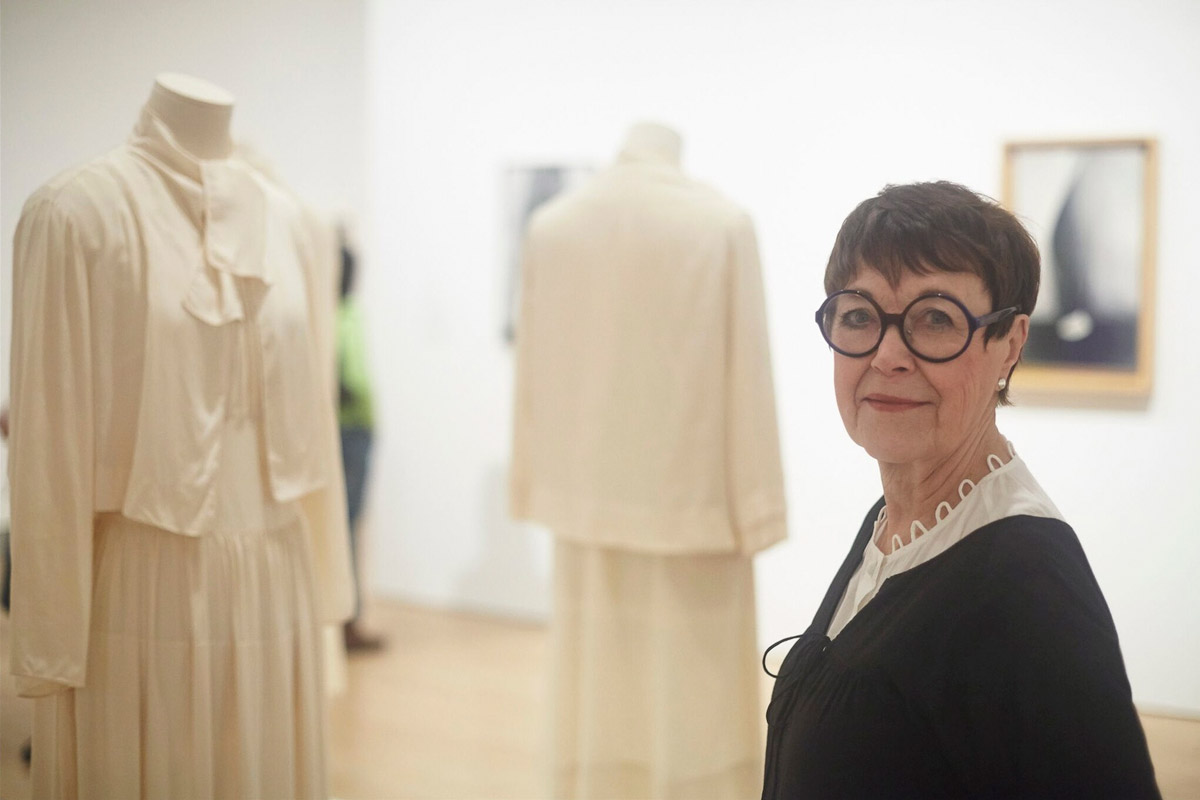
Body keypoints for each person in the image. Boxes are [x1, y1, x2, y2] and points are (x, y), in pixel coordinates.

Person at [7, 74, 353, 798]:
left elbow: (312, 423)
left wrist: (327, 581)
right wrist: (49, 634)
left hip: (275, 571)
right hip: (143, 582)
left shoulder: (293, 225)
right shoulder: (73, 214)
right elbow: (49, 452)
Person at [761, 181, 1160, 799]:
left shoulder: (1030, 592)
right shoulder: (896, 526)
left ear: (1011, 343)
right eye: (860, 315)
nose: (888, 355)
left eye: (936, 319)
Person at [511, 122, 787, 799]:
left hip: (584, 499)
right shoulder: (721, 225)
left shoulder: (554, 227)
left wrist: (533, 484)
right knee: (693, 707)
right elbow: (748, 376)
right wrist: (760, 508)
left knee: (597, 692)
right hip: (694, 502)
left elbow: (533, 374)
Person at [336, 234, 385, 652]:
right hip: (349, 430)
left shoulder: (343, 312)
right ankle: (345, 621)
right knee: (346, 526)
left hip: (351, 430)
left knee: (346, 525)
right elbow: (351, 379)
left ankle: (345, 617)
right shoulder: (342, 315)